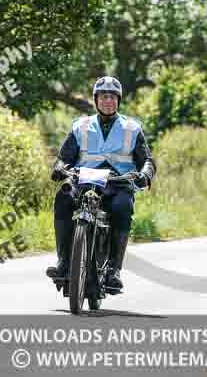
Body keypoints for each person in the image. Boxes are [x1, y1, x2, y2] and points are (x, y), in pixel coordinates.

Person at [46, 76, 156, 292]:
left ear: (119, 101)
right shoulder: (81, 126)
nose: (108, 101)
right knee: (63, 198)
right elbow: (64, 156)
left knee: (122, 207)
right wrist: (59, 168)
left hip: (118, 184)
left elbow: (147, 160)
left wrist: (145, 174)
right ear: (96, 100)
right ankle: (64, 262)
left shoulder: (132, 128)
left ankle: (114, 270)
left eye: (113, 97)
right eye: (104, 97)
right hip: (84, 180)